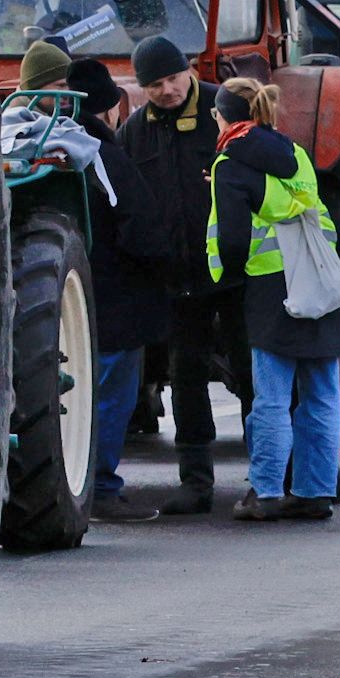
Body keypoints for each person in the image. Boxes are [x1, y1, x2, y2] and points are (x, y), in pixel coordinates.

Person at [210, 75, 340, 521]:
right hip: (320, 280)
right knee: (322, 393)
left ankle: (266, 490)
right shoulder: (297, 154)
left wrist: (225, 279)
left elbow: (231, 239)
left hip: (271, 289)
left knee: (270, 396)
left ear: (222, 117)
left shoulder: (229, 163)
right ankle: (315, 491)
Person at [114, 35, 237, 516]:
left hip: (232, 272)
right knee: (186, 375)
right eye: (154, 84)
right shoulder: (135, 131)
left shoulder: (221, 110)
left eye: (171, 79)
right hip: (177, 277)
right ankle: (196, 482)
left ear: (189, 70)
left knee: (251, 373)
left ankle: (272, 476)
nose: (166, 91)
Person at [62, 57, 163, 527]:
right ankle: (101, 485)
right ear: (110, 109)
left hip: (67, 302)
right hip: (116, 301)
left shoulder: (50, 146)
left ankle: (72, 478)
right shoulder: (102, 152)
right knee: (109, 394)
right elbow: (139, 224)